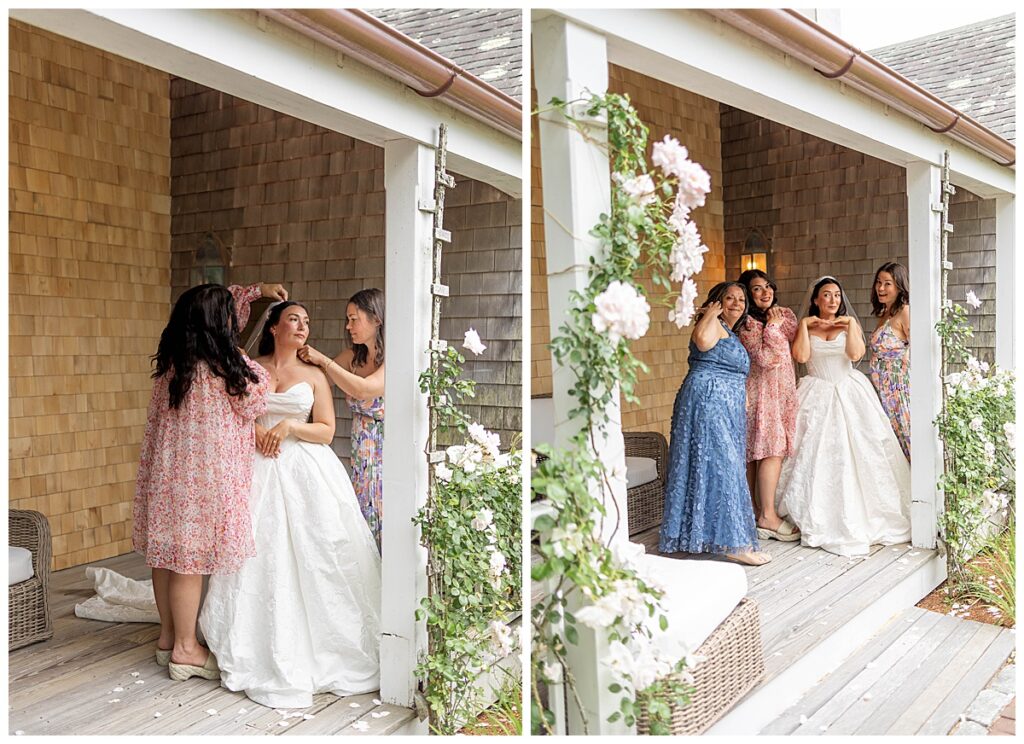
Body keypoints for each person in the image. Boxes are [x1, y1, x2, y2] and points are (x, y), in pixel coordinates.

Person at [200, 300, 381, 708]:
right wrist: (254, 435)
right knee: (258, 553)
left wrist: (289, 426)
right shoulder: (251, 368)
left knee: (319, 553)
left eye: (307, 321)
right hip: (255, 468)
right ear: (274, 327)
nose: (303, 327)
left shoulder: (315, 375)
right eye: (294, 320)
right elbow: (233, 416)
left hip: (304, 470)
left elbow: (327, 430)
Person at [133, 281, 285, 681]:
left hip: (168, 476)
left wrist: (255, 292)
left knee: (166, 556)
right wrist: (236, 351)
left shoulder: (173, 367)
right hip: (202, 479)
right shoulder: (225, 368)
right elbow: (258, 396)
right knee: (190, 563)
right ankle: (186, 648)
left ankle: (168, 638)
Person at [777, 276, 911, 557]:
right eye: (827, 295)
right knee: (814, 453)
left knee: (864, 449)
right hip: (816, 391)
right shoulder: (807, 325)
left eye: (837, 295)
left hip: (848, 389)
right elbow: (800, 357)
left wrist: (849, 325)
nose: (833, 300)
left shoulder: (849, 323)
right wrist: (804, 325)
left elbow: (855, 353)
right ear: (816, 300)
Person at [659, 282, 772, 566]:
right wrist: (710, 313)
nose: (736, 303)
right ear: (717, 302)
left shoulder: (732, 334)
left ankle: (698, 535)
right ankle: (735, 545)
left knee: (709, 465)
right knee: (725, 466)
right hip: (707, 401)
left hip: (724, 406)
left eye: (741, 299)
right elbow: (703, 342)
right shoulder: (712, 325)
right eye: (729, 298)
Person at [298, 288, 385, 551]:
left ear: (376, 319)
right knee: (361, 512)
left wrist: (322, 360)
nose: (348, 326)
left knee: (382, 513)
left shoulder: (393, 358)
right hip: (360, 452)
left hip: (385, 451)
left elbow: (364, 389)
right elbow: (319, 381)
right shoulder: (353, 357)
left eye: (354, 319)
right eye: (347, 320)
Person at [737, 269, 800, 542]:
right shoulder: (747, 324)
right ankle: (767, 515)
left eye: (767, 286)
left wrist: (776, 323)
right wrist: (771, 327)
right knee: (767, 452)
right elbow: (766, 358)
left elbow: (794, 334)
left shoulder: (783, 315)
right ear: (748, 295)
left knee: (763, 452)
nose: (765, 293)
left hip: (781, 392)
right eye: (757, 289)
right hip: (761, 395)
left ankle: (756, 513)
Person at [868, 262, 911, 460]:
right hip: (882, 391)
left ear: (899, 286)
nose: (881, 288)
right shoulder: (885, 313)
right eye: (878, 282)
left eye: (887, 284)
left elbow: (916, 348)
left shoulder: (905, 311)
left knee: (906, 440)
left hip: (899, 392)